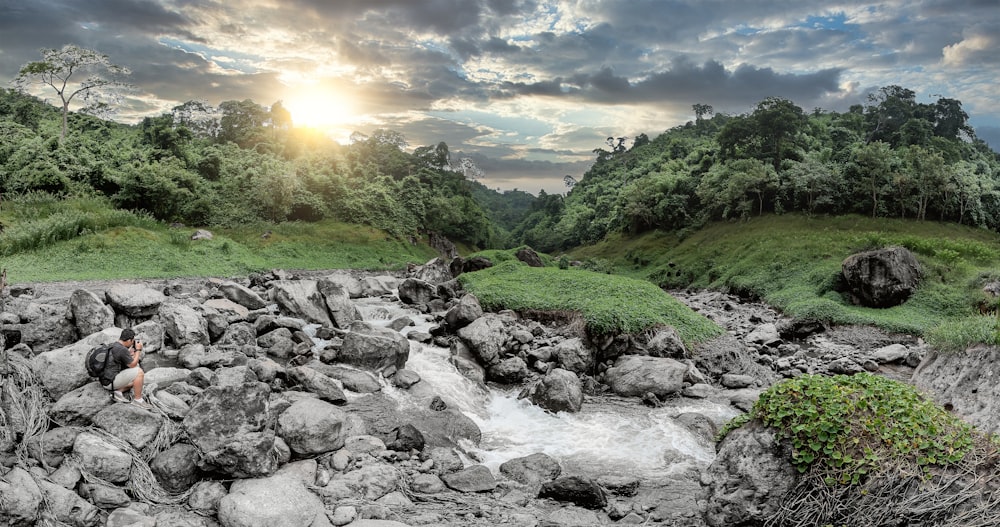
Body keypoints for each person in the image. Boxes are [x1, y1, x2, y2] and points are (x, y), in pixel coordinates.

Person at [104, 328, 152, 409]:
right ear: (129, 340)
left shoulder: (113, 345)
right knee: (139, 372)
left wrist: (130, 352)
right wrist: (138, 350)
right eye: (133, 341)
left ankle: (118, 392)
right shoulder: (122, 349)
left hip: (105, 380)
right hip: (110, 383)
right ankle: (138, 401)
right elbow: (133, 364)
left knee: (136, 383)